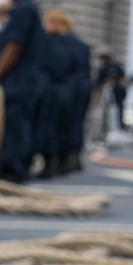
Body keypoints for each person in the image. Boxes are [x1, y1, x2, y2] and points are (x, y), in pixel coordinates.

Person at [0, 0, 48, 183]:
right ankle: (16, 167)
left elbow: (14, 46)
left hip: (20, 80)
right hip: (28, 79)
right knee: (19, 123)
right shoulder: (30, 9)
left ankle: (12, 171)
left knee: (15, 124)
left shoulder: (22, 10)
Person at [35, 9, 78, 178]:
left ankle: (50, 164)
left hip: (53, 91)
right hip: (63, 91)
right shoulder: (72, 44)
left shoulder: (55, 44)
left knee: (50, 128)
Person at [48, 10, 92, 172]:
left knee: (60, 125)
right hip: (80, 89)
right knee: (76, 124)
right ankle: (73, 158)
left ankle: (62, 160)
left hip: (66, 88)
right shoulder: (81, 45)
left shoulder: (59, 44)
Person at [95, 51, 127, 134]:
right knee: (104, 112)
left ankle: (118, 130)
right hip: (106, 95)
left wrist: (113, 80)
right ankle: (103, 130)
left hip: (117, 93)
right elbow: (98, 84)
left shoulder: (115, 67)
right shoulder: (102, 70)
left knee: (117, 111)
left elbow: (123, 77)